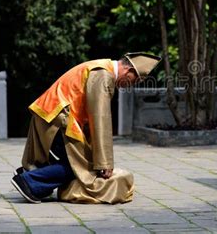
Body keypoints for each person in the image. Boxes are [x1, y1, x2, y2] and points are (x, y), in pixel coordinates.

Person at [10, 52, 161, 204]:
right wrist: (105, 163)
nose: (131, 85)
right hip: (58, 119)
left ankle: (33, 172)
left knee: (74, 161)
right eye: (135, 81)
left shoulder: (100, 67)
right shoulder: (103, 75)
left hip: (51, 114)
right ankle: (29, 182)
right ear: (129, 72)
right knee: (79, 166)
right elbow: (100, 118)